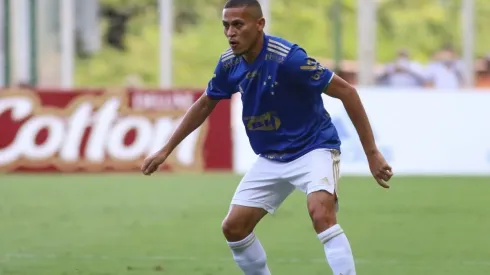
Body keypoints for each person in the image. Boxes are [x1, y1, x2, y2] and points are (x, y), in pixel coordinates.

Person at [141, 0, 393, 274]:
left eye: (238, 24)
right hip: (272, 157)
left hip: (314, 148)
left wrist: (371, 153)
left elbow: (347, 91)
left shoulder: (289, 58)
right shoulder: (229, 63)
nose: (230, 33)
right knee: (234, 228)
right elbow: (205, 103)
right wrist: (166, 149)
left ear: (259, 25)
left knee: (321, 214)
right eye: (226, 26)